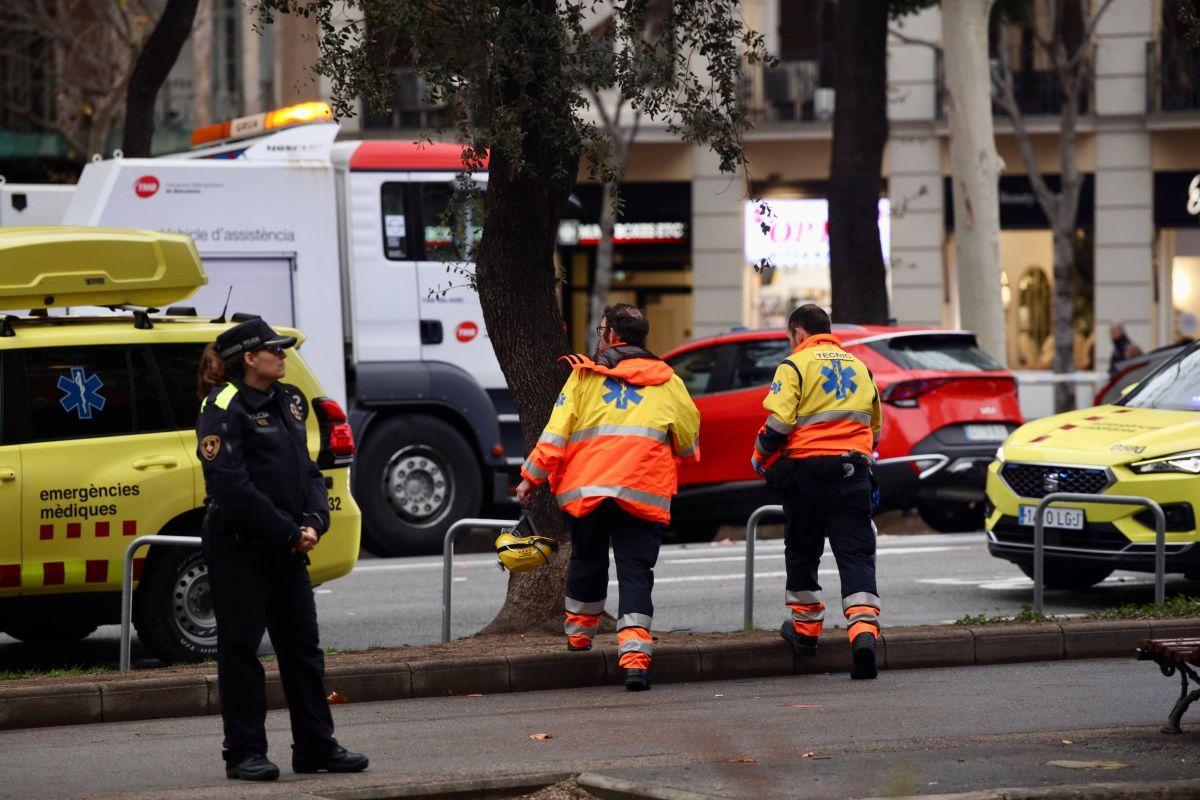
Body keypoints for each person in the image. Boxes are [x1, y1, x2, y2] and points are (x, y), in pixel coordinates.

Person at [196, 318, 368, 781]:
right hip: (240, 547)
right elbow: (230, 486)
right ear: (249, 358)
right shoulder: (223, 405)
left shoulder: (289, 399)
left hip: (288, 547)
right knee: (241, 652)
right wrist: (288, 531)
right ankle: (244, 753)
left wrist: (314, 521)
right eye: (274, 349)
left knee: (303, 651)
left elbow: (308, 470)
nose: (282, 354)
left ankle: (315, 747)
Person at [516, 304, 700, 691]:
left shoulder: (584, 377)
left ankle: (579, 637)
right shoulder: (669, 382)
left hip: (589, 489)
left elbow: (555, 434)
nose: (599, 338)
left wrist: (530, 478)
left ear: (613, 336)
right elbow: (687, 442)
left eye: (601, 331)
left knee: (588, 558)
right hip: (643, 491)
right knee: (636, 571)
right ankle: (634, 660)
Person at [750, 304, 883, 680]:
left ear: (798, 333)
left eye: (789, 337)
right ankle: (863, 635)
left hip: (806, 476)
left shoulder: (794, 365)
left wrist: (759, 455)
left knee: (803, 552)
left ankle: (806, 633)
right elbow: (875, 429)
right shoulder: (860, 367)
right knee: (855, 555)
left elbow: (779, 423)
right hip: (852, 473)